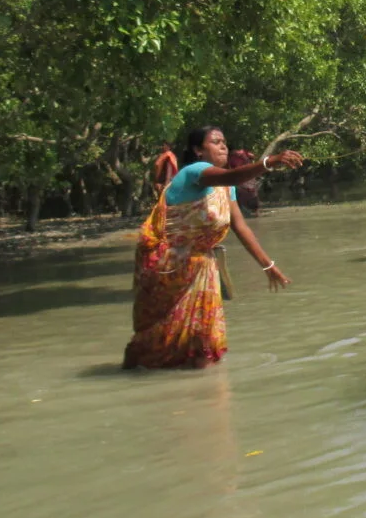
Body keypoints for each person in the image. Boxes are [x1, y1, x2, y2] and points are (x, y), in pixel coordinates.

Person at [124, 127, 301, 370]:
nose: (223, 147)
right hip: (169, 266)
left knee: (202, 345)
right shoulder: (194, 172)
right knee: (156, 338)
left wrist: (268, 266)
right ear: (198, 150)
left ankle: (206, 390)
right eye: (216, 142)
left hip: (201, 267)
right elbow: (232, 176)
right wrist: (269, 161)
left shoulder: (226, 188)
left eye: (224, 142)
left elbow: (240, 227)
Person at [228, 149, 262, 216]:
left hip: (244, 178)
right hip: (242, 178)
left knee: (250, 193)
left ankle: (254, 211)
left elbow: (252, 157)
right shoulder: (234, 156)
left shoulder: (233, 156)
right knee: (247, 193)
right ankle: (253, 211)